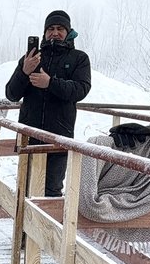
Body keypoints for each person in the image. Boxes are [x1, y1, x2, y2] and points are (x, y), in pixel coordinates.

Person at [5, 10, 91, 197]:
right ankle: (24, 218)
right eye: (50, 29)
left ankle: (51, 217)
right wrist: (23, 72)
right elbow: (11, 94)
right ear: (44, 32)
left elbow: (81, 90)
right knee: (25, 189)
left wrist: (50, 83)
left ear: (68, 32)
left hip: (58, 138)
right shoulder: (31, 58)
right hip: (29, 136)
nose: (55, 33)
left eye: (60, 29)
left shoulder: (79, 58)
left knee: (52, 191)